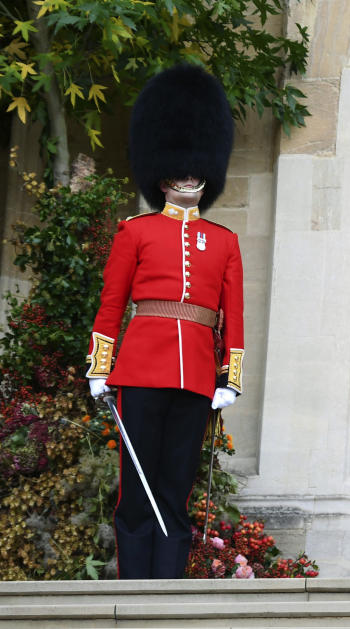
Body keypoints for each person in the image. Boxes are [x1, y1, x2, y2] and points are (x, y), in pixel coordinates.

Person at [85, 64, 243, 579]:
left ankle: (169, 590)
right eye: (180, 169)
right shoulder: (136, 232)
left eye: (197, 169)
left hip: (197, 376)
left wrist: (229, 379)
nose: (189, 177)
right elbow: (112, 304)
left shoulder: (225, 241)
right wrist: (99, 365)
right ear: (163, 173)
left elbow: (232, 317)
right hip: (140, 370)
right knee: (138, 488)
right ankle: (133, 589)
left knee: (175, 488)